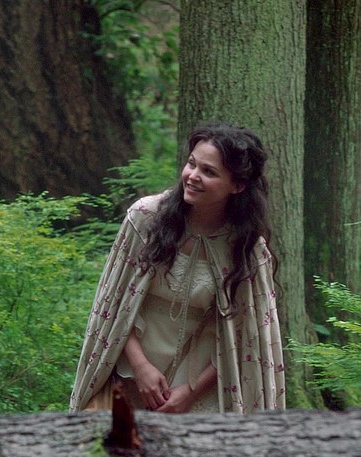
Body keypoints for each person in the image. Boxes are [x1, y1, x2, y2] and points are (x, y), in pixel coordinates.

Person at [69, 122, 285, 414]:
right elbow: (114, 303)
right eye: (191, 164)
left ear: (237, 186)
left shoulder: (246, 247)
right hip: (129, 371)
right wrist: (141, 367)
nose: (193, 176)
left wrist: (190, 393)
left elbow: (245, 335)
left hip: (200, 387)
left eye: (209, 172)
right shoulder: (145, 218)